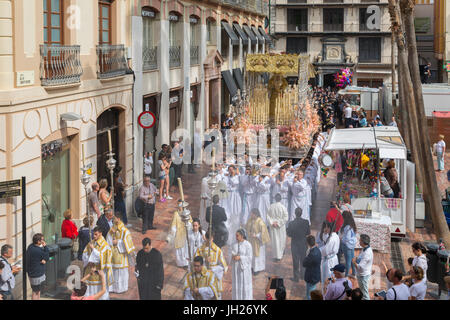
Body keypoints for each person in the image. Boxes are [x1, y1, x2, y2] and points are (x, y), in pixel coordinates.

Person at [106, 211, 136, 293]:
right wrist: (110, 235)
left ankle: (121, 288)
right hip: (113, 254)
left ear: (118, 219)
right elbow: (108, 239)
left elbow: (128, 243)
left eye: (114, 218)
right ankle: (113, 288)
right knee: (113, 271)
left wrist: (118, 242)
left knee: (121, 272)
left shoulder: (125, 231)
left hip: (121, 255)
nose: (113, 219)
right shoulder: (112, 228)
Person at [82, 227, 113, 300]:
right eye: (93, 234)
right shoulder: (91, 243)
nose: (94, 236)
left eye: (96, 234)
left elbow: (103, 258)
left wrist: (93, 249)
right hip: (90, 270)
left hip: (99, 272)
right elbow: (84, 254)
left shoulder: (105, 245)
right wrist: (88, 261)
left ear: (100, 234)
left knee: (99, 292)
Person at [195, 232, 228, 299]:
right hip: (204, 274)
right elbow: (195, 261)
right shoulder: (201, 249)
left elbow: (223, 264)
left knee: (216, 293)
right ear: (206, 238)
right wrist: (204, 260)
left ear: (213, 238)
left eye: (211, 239)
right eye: (208, 239)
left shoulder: (217, 249)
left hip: (214, 274)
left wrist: (217, 269)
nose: (210, 241)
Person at [287, 207, 310, 281]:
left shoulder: (291, 223)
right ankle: (303, 275)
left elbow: (289, 234)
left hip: (295, 244)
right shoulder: (306, 222)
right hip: (303, 243)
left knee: (295, 260)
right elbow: (308, 233)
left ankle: (296, 277)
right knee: (303, 259)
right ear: (301, 213)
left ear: (295, 213)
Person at [245, 208, 270, 275]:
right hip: (251, 241)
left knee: (257, 256)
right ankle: (252, 267)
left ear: (256, 214)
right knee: (251, 254)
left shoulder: (260, 222)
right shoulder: (250, 220)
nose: (251, 215)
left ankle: (257, 269)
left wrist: (256, 235)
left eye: (252, 214)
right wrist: (249, 233)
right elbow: (246, 227)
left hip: (258, 242)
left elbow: (263, 233)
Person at [231, 229, 253, 300]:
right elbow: (230, 253)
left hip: (244, 270)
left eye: (237, 236)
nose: (236, 237)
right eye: (235, 236)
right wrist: (232, 256)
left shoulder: (248, 245)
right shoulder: (234, 244)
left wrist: (240, 257)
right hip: (236, 269)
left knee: (244, 285)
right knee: (237, 285)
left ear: (242, 236)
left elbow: (249, 258)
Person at [26, 233, 49, 300]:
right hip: (37, 274)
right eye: (42, 240)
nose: (43, 241)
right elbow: (47, 257)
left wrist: (43, 259)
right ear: (38, 241)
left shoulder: (30, 246)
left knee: (37, 291)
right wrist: (45, 247)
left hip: (32, 273)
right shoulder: (38, 251)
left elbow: (44, 259)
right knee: (36, 292)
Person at [267, 194, 289, 262]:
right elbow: (286, 217)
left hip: (273, 226)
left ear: (275, 198)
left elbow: (268, 216)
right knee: (281, 240)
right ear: (280, 199)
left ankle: (275, 256)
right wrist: (279, 223)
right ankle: (280, 255)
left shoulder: (271, 206)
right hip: (280, 227)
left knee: (274, 241)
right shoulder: (283, 207)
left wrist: (272, 222)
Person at [319, 221, 340, 291]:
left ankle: (327, 294)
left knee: (327, 278)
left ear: (330, 228)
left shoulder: (332, 238)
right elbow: (326, 240)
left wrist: (317, 250)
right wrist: (324, 233)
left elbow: (325, 250)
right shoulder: (335, 235)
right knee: (332, 277)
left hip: (329, 261)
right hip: (333, 258)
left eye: (327, 227)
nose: (325, 228)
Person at [352, 234, 373, 300]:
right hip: (362, 274)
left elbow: (360, 267)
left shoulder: (367, 253)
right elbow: (361, 257)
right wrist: (357, 258)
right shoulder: (365, 248)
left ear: (363, 242)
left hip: (363, 276)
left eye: (360, 240)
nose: (359, 241)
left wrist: (354, 262)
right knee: (362, 292)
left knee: (365, 295)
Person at [303, 235, 321, 300]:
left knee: (309, 294)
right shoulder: (317, 249)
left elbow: (304, 263)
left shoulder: (311, 254)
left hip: (311, 276)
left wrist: (306, 255)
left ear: (308, 243)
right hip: (315, 274)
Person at [340, 211, 357, 277]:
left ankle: (346, 275)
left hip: (347, 245)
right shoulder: (352, 225)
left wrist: (341, 239)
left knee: (347, 261)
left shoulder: (347, 227)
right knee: (352, 259)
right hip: (352, 245)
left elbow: (347, 238)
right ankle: (354, 273)